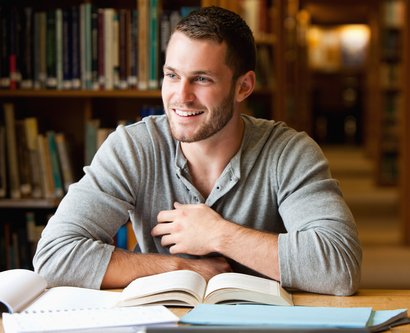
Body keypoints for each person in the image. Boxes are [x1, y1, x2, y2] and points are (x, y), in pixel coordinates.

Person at [33, 6, 362, 296]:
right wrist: (178, 268)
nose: (181, 96)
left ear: (243, 87)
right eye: (171, 75)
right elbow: (54, 256)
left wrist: (218, 234)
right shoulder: (132, 147)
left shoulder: (289, 152)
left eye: (201, 79)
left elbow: (340, 266)